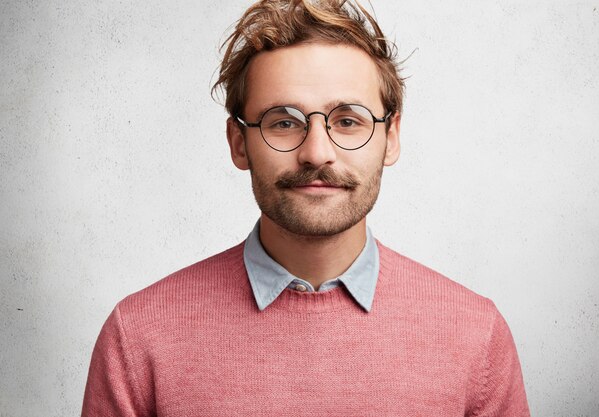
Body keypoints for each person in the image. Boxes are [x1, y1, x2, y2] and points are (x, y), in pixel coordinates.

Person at [82, 0, 530, 415]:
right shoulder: (138, 336)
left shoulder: (476, 335)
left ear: (391, 137)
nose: (317, 152)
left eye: (348, 120)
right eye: (283, 122)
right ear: (239, 143)